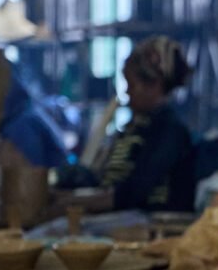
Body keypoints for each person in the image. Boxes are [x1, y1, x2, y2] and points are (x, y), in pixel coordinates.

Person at [52, 36, 195, 215]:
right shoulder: (133, 128)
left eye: (131, 85)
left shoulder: (169, 131)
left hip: (149, 220)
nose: (127, 91)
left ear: (154, 85)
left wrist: (73, 202)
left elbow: (132, 193)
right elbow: (107, 183)